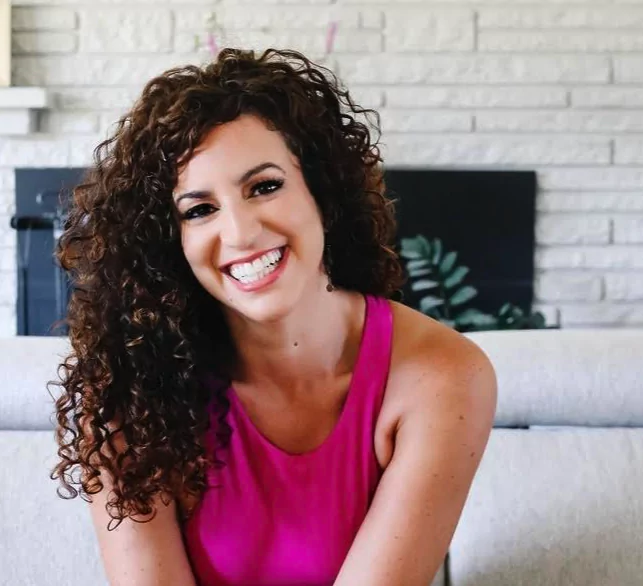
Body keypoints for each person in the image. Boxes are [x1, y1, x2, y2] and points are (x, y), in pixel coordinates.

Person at [50, 47, 497, 586]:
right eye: (199, 210)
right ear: (172, 244)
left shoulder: (442, 376)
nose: (240, 233)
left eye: (264, 186)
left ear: (321, 193)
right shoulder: (129, 396)